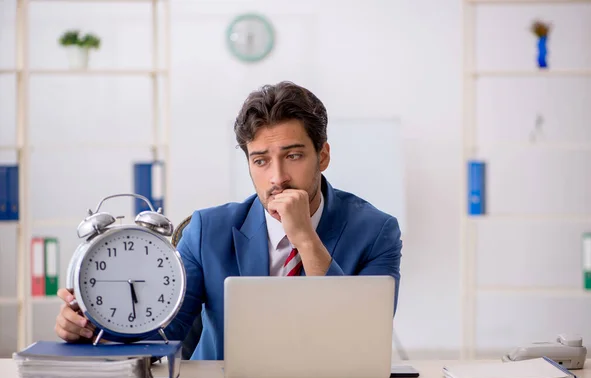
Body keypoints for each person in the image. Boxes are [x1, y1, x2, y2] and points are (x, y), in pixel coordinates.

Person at [55, 81, 403, 360]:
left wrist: (306, 240)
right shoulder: (207, 230)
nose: (277, 178)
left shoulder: (376, 231)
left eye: (293, 156)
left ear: (322, 155)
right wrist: (92, 328)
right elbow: (164, 334)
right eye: (261, 161)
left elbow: (361, 336)